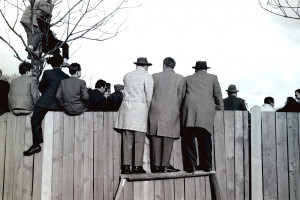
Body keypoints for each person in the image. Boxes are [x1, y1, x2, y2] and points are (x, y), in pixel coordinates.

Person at [179, 61, 223, 173]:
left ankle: (191, 166)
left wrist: (181, 108)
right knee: (205, 139)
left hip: (190, 111)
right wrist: (219, 106)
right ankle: (206, 165)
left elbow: (182, 95)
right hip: (205, 112)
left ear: (195, 69)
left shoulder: (187, 78)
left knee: (189, 139)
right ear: (206, 69)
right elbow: (218, 94)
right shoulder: (213, 78)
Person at [23, 53, 69, 156]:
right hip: (58, 104)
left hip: (45, 101)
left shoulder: (48, 73)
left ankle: (36, 144)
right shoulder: (66, 76)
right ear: (61, 64)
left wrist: (47, 94)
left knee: (35, 119)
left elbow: (41, 87)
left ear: (52, 64)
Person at [114, 57, 154, 174]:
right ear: (146, 66)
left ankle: (126, 166)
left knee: (127, 139)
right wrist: (147, 108)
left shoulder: (127, 76)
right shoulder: (147, 76)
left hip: (127, 110)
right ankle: (137, 166)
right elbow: (149, 96)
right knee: (139, 140)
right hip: (140, 110)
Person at [148, 57, 183, 173]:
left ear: (163, 65)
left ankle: (156, 165)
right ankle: (165, 165)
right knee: (168, 139)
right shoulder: (180, 78)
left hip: (155, 112)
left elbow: (149, 94)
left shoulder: (154, 76)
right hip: (171, 112)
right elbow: (181, 97)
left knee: (156, 138)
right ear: (174, 66)